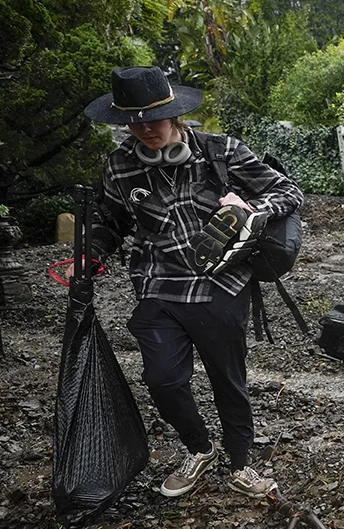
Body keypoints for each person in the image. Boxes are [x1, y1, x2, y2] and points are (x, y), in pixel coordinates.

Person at [80, 66, 303, 499]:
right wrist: (89, 255)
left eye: (153, 118)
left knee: (228, 381)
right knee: (162, 380)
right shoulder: (120, 166)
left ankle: (241, 464)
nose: (144, 128)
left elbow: (288, 192)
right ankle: (199, 449)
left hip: (221, 286)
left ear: (174, 114)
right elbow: (111, 222)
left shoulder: (222, 151)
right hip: (158, 286)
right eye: (133, 120)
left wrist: (250, 208)